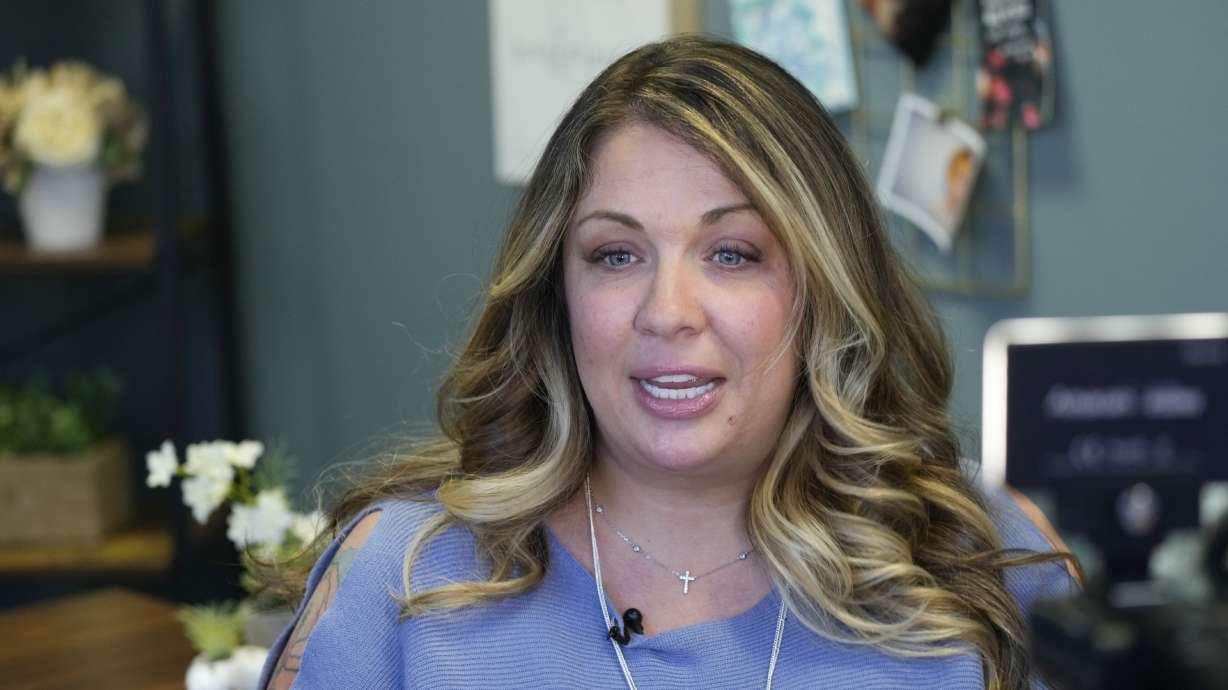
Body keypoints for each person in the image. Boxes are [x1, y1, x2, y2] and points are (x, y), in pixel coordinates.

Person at [258, 35, 1079, 689]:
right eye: (616, 256)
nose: (667, 312)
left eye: (730, 253)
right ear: (557, 292)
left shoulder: (981, 552)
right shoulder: (403, 575)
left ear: (822, 288)